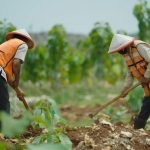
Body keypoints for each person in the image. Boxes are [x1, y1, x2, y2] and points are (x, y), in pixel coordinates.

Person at [108, 34, 150, 129]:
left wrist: (147, 76)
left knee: (146, 106)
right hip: (148, 87)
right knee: (145, 108)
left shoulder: (139, 46)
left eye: (122, 48)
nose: (121, 51)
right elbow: (130, 73)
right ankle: (137, 134)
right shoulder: (126, 55)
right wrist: (126, 87)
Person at [0, 29, 34, 123]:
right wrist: (17, 80)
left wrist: (18, 90)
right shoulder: (22, 44)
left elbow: (6, 77)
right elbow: (16, 63)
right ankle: (6, 133)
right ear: (26, 40)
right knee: (4, 103)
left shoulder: (7, 46)